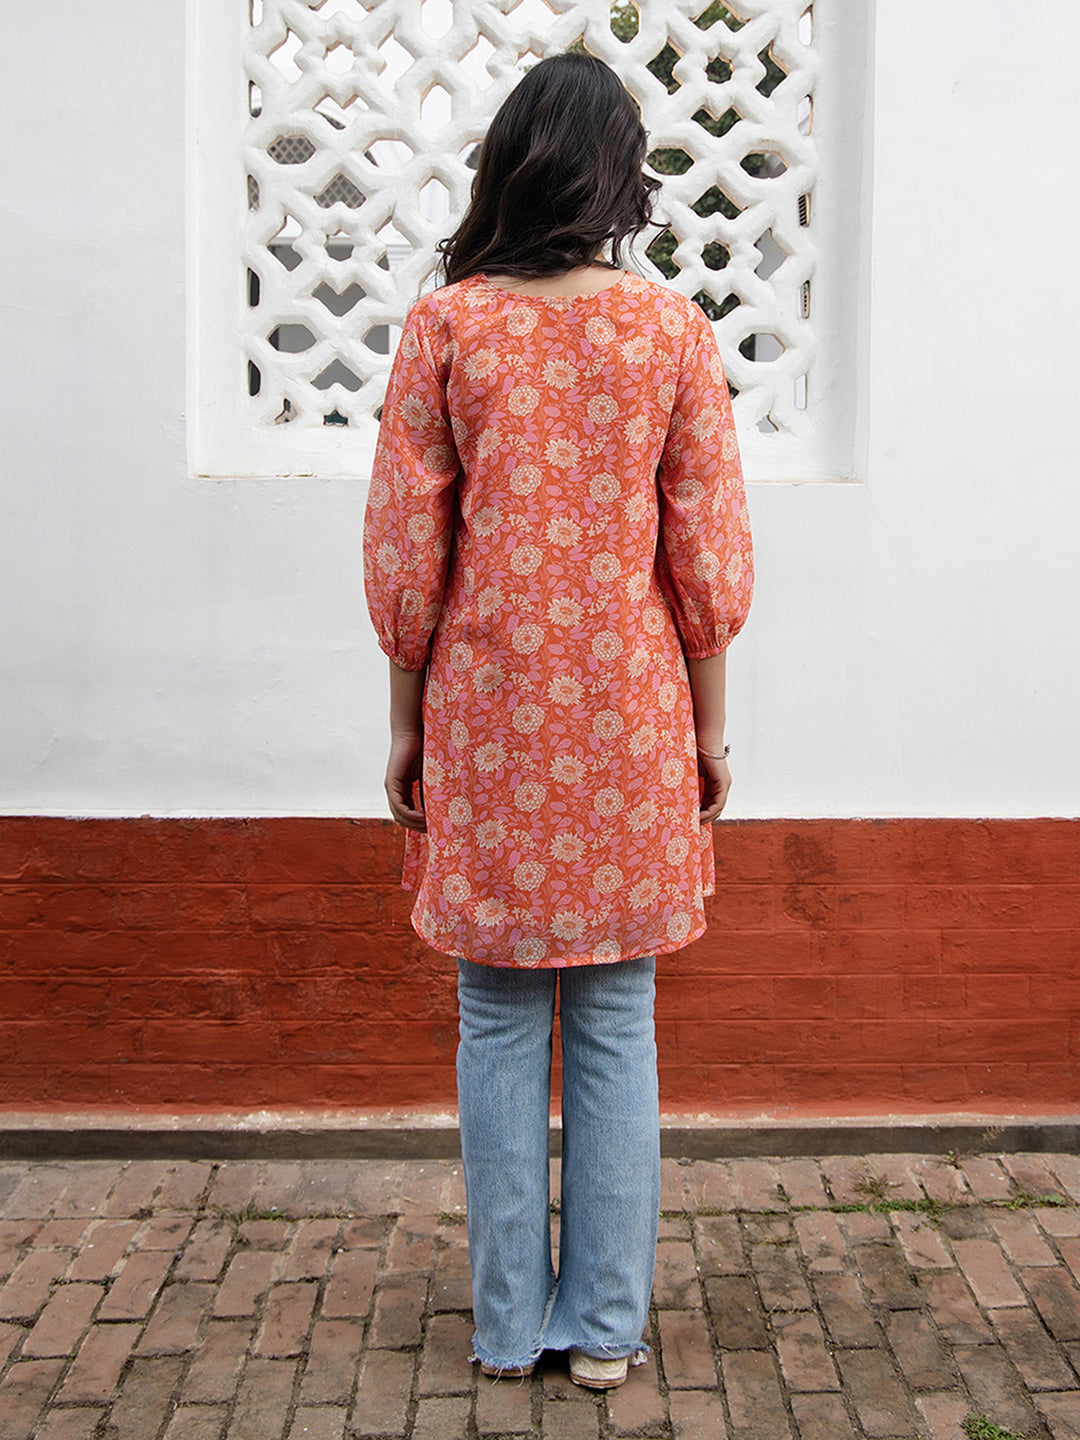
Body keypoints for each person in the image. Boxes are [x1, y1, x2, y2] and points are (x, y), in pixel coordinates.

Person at [363, 51, 753, 1390]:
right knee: (619, 1019)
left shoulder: (449, 327)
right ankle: (605, 1329)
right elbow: (704, 560)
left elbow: (408, 555)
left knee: (494, 1019)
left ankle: (507, 1327)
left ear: (508, 168)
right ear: (618, 175)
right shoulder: (672, 333)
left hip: (487, 715)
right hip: (633, 719)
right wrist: (709, 728)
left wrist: (405, 718)